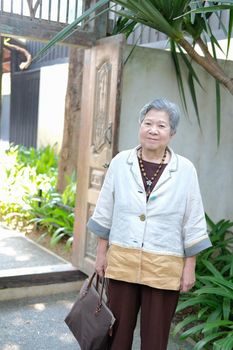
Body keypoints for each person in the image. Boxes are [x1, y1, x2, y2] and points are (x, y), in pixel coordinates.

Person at [87, 98, 212, 350]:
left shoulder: (185, 170)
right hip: (123, 261)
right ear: (140, 126)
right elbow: (106, 210)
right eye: (148, 123)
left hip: (164, 266)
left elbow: (193, 218)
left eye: (161, 125)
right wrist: (101, 254)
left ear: (172, 132)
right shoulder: (122, 162)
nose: (153, 130)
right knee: (116, 333)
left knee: (155, 338)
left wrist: (190, 267)